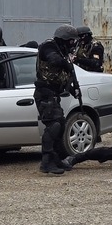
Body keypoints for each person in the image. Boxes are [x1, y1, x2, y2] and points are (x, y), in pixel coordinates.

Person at [33, 24, 79, 175]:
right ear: (64, 39)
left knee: (61, 124)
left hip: (53, 94)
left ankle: (57, 158)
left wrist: (73, 89)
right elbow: (53, 60)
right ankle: (46, 162)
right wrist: (68, 64)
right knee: (54, 125)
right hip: (44, 93)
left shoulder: (62, 51)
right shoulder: (48, 46)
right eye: (71, 41)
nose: (73, 45)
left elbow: (61, 78)